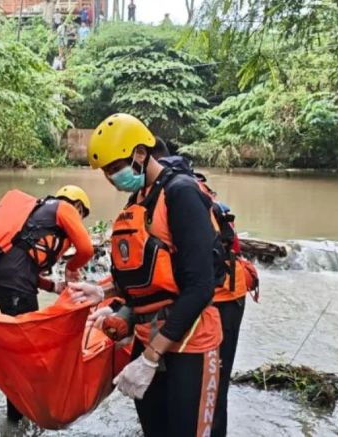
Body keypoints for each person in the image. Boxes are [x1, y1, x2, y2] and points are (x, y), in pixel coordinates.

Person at [70, 113, 224, 436]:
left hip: (189, 344)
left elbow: (200, 286)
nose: (112, 178)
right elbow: (144, 274)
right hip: (148, 338)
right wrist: (105, 293)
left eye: (115, 168)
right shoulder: (138, 200)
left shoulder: (181, 193)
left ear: (140, 153)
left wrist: (151, 357)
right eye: (106, 172)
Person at [149, 138, 260, 437]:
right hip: (193, 296)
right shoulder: (152, 192)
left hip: (222, 296)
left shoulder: (179, 191)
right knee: (184, 392)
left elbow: (200, 278)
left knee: (212, 391)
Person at [0, 185, 94, 423]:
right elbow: (86, 249)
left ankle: (19, 413)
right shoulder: (65, 208)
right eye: (81, 216)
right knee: (26, 356)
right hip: (15, 285)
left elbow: (22, 262)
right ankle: (20, 415)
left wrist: (53, 287)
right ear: (77, 207)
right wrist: (71, 267)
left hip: (3, 280)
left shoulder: (38, 215)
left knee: (19, 350)